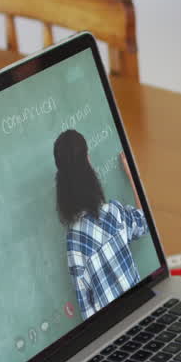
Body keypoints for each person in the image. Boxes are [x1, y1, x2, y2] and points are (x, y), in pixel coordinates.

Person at [54, 128, 148, 320]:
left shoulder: (73, 244)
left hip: (114, 336)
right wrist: (132, 175)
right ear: (88, 162)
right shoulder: (113, 214)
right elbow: (144, 220)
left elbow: (87, 310)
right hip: (143, 316)